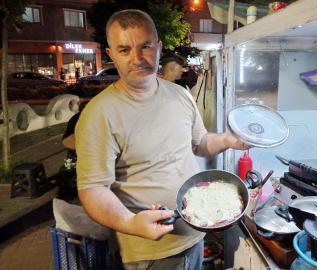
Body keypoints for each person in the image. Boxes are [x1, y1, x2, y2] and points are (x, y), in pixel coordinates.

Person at [75, 9, 251, 270]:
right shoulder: (99, 115)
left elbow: (198, 143)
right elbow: (93, 189)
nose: (137, 59)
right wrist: (128, 223)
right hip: (151, 254)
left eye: (145, 46)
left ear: (158, 48)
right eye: (124, 50)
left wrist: (229, 139)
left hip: (196, 230)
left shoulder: (180, 94)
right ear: (111, 55)